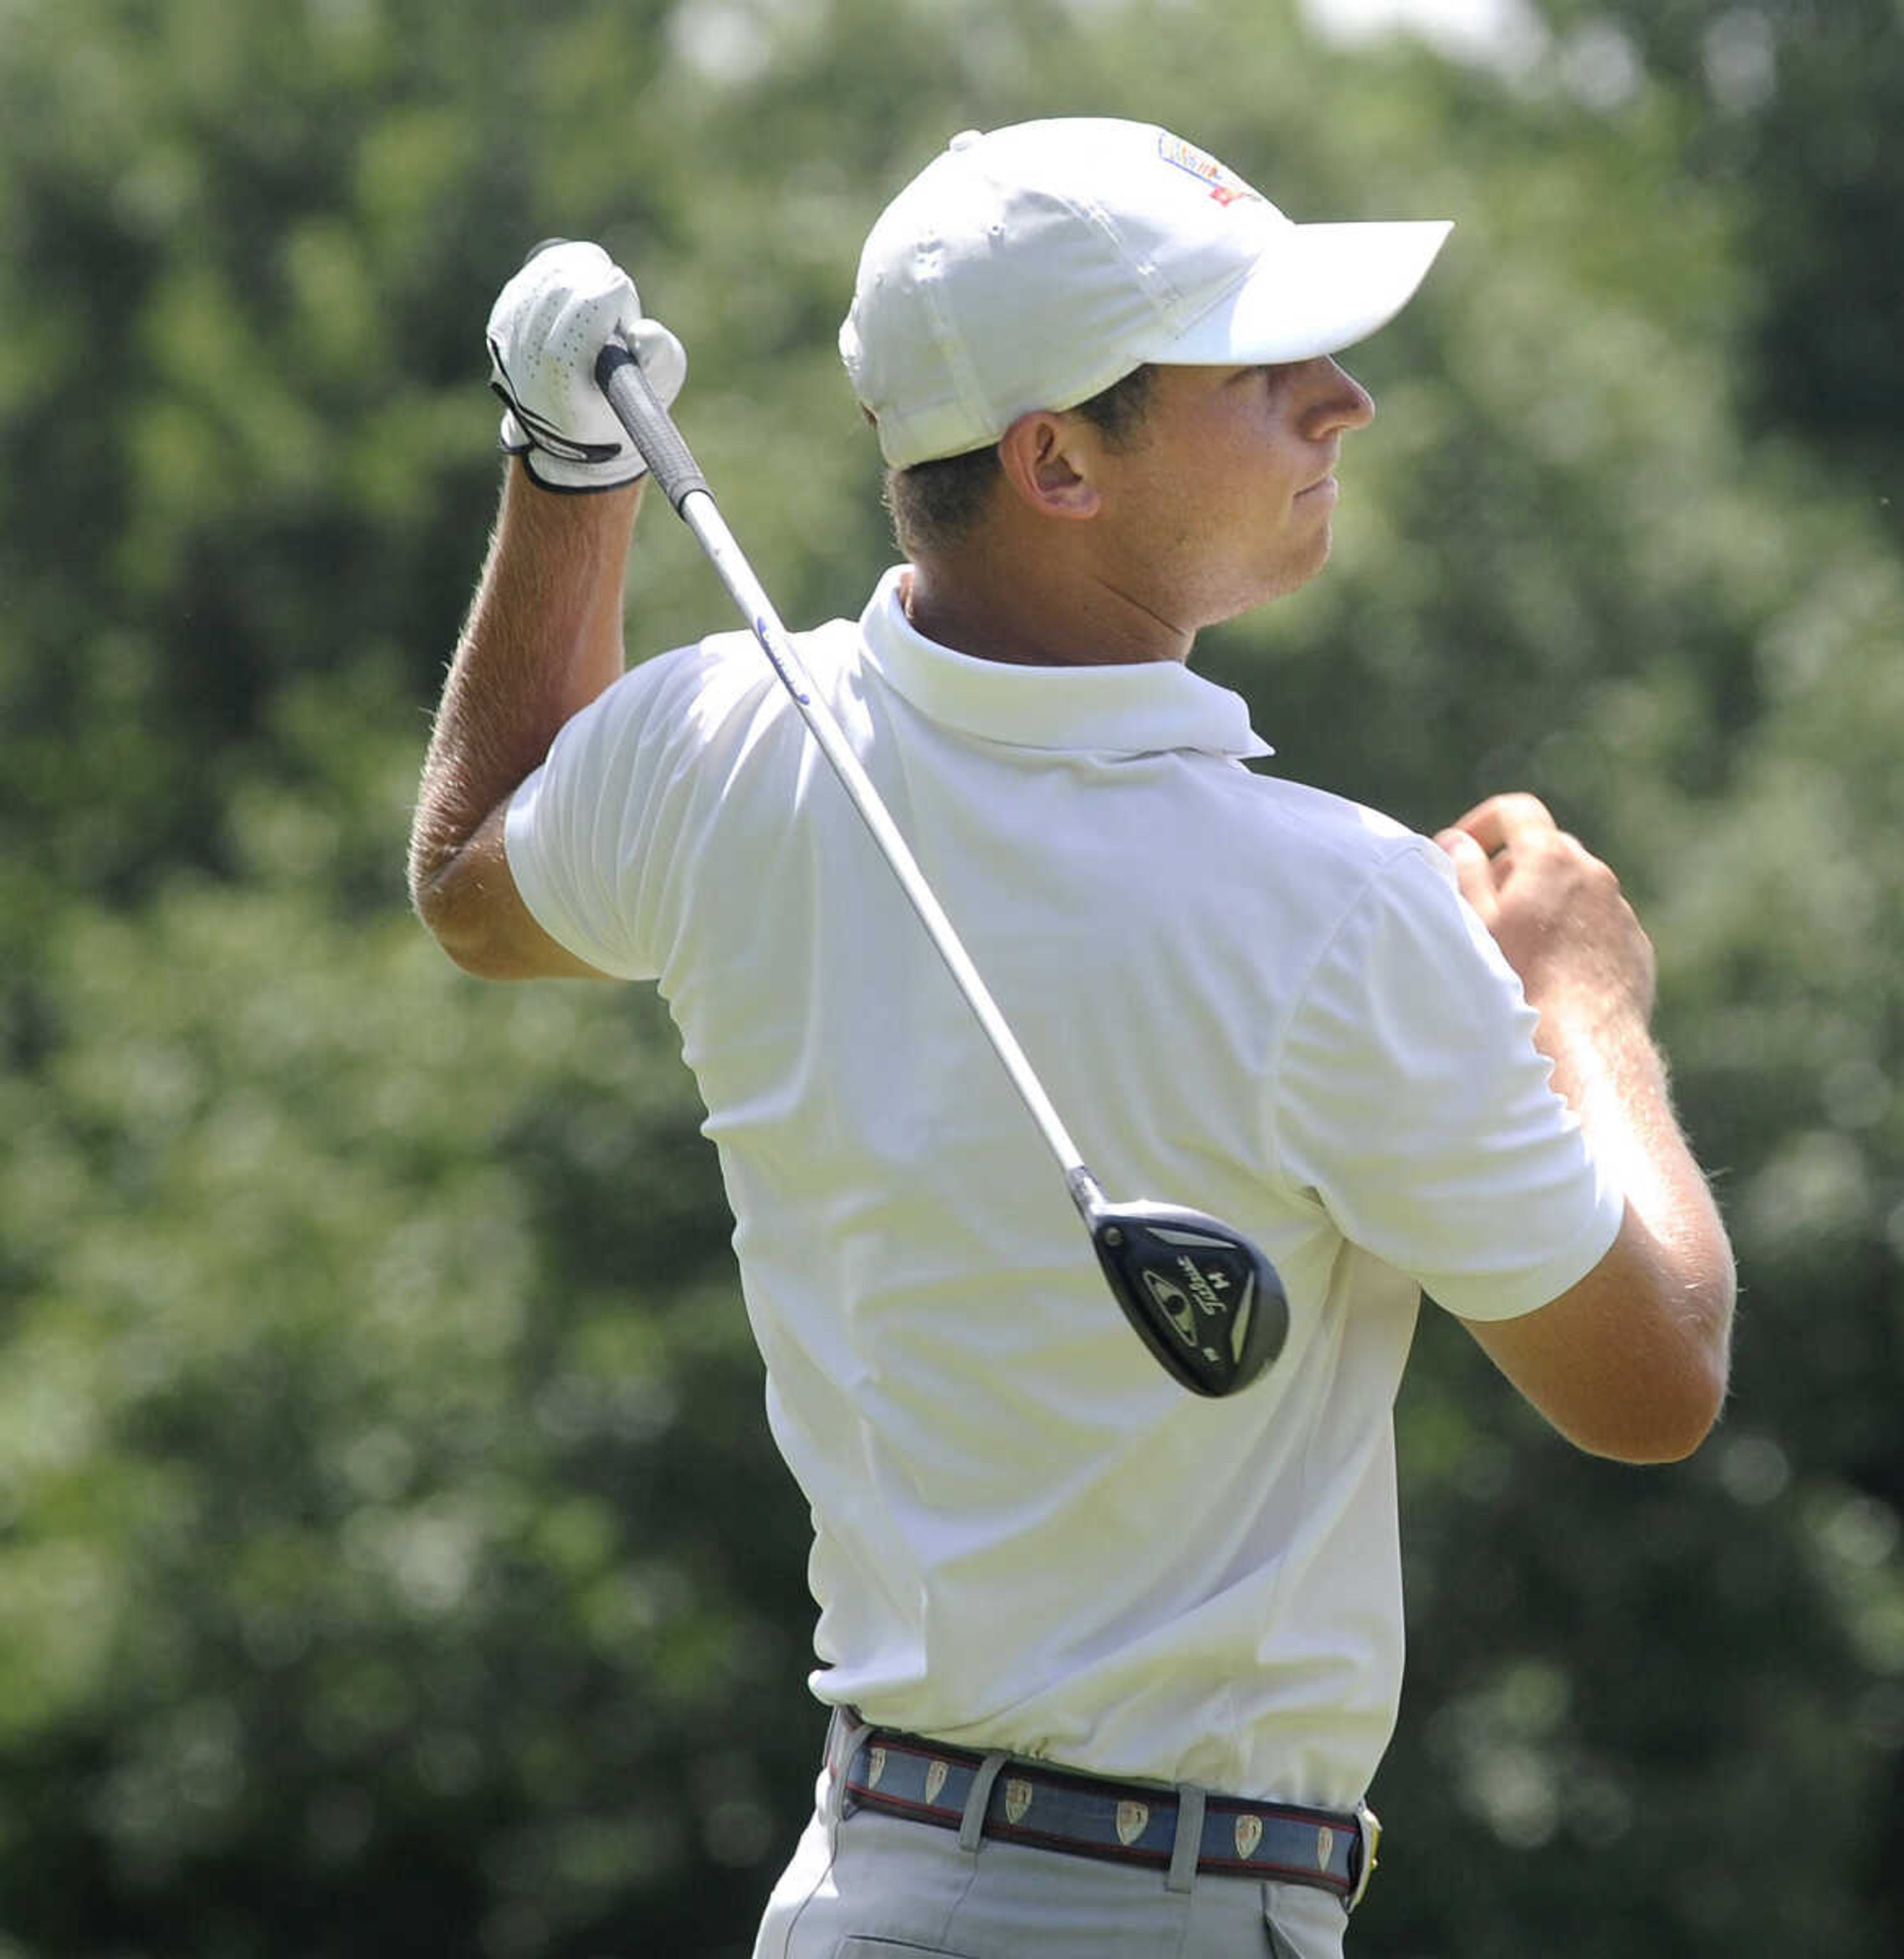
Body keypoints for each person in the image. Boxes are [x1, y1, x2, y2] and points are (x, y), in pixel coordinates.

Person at [409, 118, 1735, 1959]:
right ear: (1056, 461)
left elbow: (474, 879)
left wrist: (566, 466)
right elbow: (1654, 1378)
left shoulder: (717, 748)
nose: (1344, 401)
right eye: (1265, 375)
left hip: (860, 1895)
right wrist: (1583, 1006)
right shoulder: (1342, 912)